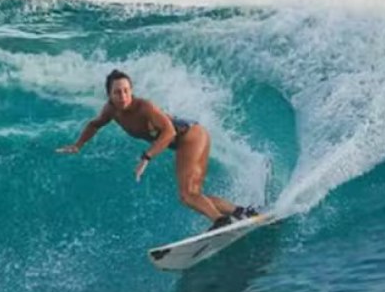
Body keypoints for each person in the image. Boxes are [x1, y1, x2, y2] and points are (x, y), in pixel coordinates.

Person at [56, 69, 257, 230]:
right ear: (109, 95)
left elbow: (169, 132)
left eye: (126, 90)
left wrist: (147, 157)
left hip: (191, 136)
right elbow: (95, 124)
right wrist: (78, 145)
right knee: (192, 196)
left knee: (188, 194)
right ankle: (240, 212)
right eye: (117, 92)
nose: (123, 95)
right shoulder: (111, 110)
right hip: (185, 140)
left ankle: (221, 221)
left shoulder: (145, 107)